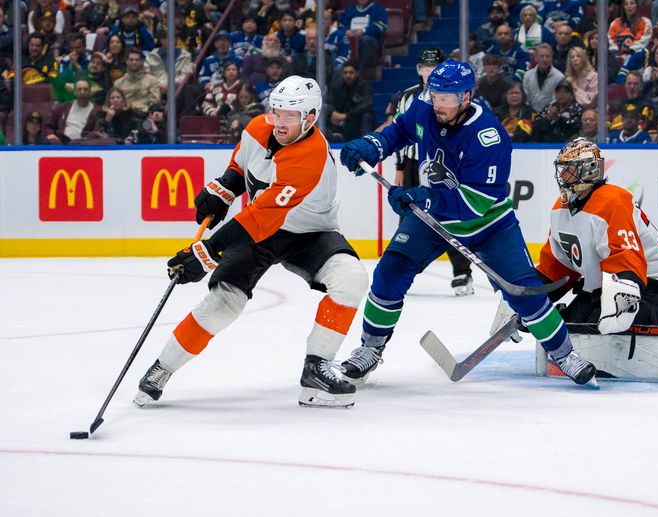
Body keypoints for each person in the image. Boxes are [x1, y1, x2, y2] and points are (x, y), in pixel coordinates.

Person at [337, 59, 597, 387]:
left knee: (525, 294)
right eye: (434, 95)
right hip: (432, 219)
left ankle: (564, 354)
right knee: (388, 275)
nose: (437, 104)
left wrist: (422, 197)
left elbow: (476, 203)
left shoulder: (488, 137)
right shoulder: (425, 108)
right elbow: (401, 129)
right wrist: (373, 145)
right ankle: (370, 349)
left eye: (446, 99)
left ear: (466, 98)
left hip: (490, 226)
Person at [134, 76, 368, 409]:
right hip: (262, 229)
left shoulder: (310, 156)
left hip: (309, 233)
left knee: (352, 279)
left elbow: (262, 217)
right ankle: (162, 369)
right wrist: (222, 191)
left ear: (311, 117)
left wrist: (207, 253)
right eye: (277, 112)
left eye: (291, 115)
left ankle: (316, 371)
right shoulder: (258, 128)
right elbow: (240, 168)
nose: (280, 122)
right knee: (223, 302)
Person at [537, 138, 658, 334]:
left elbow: (626, 257)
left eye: (569, 168)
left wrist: (622, 298)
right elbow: (559, 264)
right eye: (562, 168)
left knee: (598, 330)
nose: (562, 175)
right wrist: (534, 298)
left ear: (589, 169)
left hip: (652, 290)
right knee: (565, 329)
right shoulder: (560, 208)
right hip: (603, 287)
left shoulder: (613, 201)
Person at [383, 47, 475, 296]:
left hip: (442, 165)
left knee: (449, 217)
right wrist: (400, 167)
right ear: (419, 70)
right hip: (413, 164)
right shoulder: (407, 97)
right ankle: (402, 270)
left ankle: (462, 272)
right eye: (426, 69)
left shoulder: (454, 96)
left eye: (435, 69)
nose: (430, 73)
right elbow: (400, 133)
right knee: (409, 217)